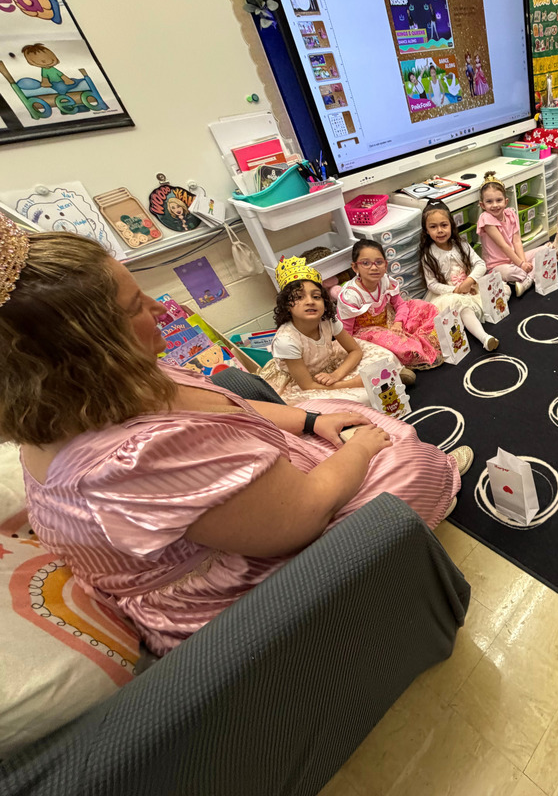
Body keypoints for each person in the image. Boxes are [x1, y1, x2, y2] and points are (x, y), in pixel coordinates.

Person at [0, 220, 470, 657]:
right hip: (245, 578)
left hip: (259, 484)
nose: (161, 308)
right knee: (404, 456)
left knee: (346, 415)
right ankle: (431, 499)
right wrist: (363, 450)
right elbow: (299, 516)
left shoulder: (104, 384)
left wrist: (308, 422)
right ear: (84, 352)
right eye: (134, 308)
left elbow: (229, 404)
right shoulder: (135, 457)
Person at [258, 256, 409, 406]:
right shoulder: (286, 340)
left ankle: (388, 376)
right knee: (355, 400)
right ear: (287, 305)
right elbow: (307, 385)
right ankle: (388, 379)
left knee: (383, 354)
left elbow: (355, 350)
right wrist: (352, 383)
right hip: (301, 383)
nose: (310, 301)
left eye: (316, 296)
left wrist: (337, 375)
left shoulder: (328, 321)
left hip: (328, 363)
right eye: (299, 297)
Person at [333, 239, 442, 369]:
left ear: (385, 265)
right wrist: (351, 352)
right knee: (397, 343)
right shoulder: (351, 295)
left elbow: (400, 305)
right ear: (355, 267)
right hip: (367, 333)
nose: (374, 267)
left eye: (378, 262)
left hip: (389, 319)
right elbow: (346, 331)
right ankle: (413, 353)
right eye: (366, 263)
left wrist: (398, 322)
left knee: (425, 307)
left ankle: (422, 343)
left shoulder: (385, 280)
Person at [419, 200, 502, 351]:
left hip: (469, 287)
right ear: (426, 231)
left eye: (444, 225)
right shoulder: (428, 255)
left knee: (502, 288)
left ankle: (468, 321)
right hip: (449, 295)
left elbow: (481, 264)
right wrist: (455, 290)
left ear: (451, 225)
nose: (440, 230)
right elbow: (432, 284)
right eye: (433, 227)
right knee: (461, 305)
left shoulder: (462, 245)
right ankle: (484, 337)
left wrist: (469, 281)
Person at [476, 171, 550, 296]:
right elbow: (503, 246)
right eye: (489, 202)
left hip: (513, 260)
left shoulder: (510, 214)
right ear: (482, 205)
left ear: (506, 201)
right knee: (511, 271)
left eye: (498, 200)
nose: (495, 205)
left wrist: (523, 262)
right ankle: (529, 278)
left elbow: (517, 241)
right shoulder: (486, 219)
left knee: (546, 249)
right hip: (496, 266)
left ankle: (526, 278)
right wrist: (521, 264)